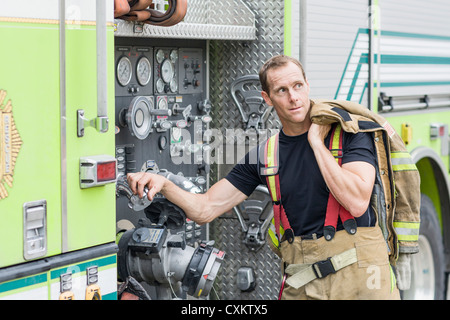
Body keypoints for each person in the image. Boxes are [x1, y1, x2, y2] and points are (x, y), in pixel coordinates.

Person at [127, 55, 400, 300]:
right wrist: (164, 185)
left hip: (363, 279)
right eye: (282, 90)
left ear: (307, 85)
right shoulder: (264, 156)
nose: (293, 98)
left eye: (297, 86)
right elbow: (206, 208)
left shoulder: (349, 134)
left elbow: (357, 201)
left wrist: (316, 143)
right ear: (267, 98)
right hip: (305, 281)